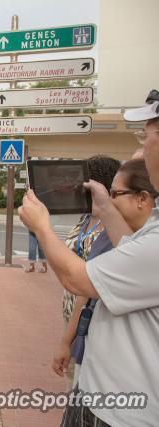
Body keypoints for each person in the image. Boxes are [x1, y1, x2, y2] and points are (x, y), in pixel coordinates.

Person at [19, 89, 159, 426]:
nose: (141, 149)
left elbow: (78, 280)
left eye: (146, 135)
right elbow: (131, 254)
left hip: (121, 413)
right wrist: (106, 205)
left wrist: (42, 227)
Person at [52, 158, 157, 390]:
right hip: (79, 323)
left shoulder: (130, 239)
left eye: (115, 193)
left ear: (142, 198)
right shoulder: (90, 219)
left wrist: (41, 226)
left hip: (91, 331)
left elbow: (82, 284)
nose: (109, 199)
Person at [57, 155, 121, 389]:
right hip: (71, 311)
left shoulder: (110, 227)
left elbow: (89, 286)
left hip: (88, 319)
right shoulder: (86, 218)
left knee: (79, 386)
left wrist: (66, 341)